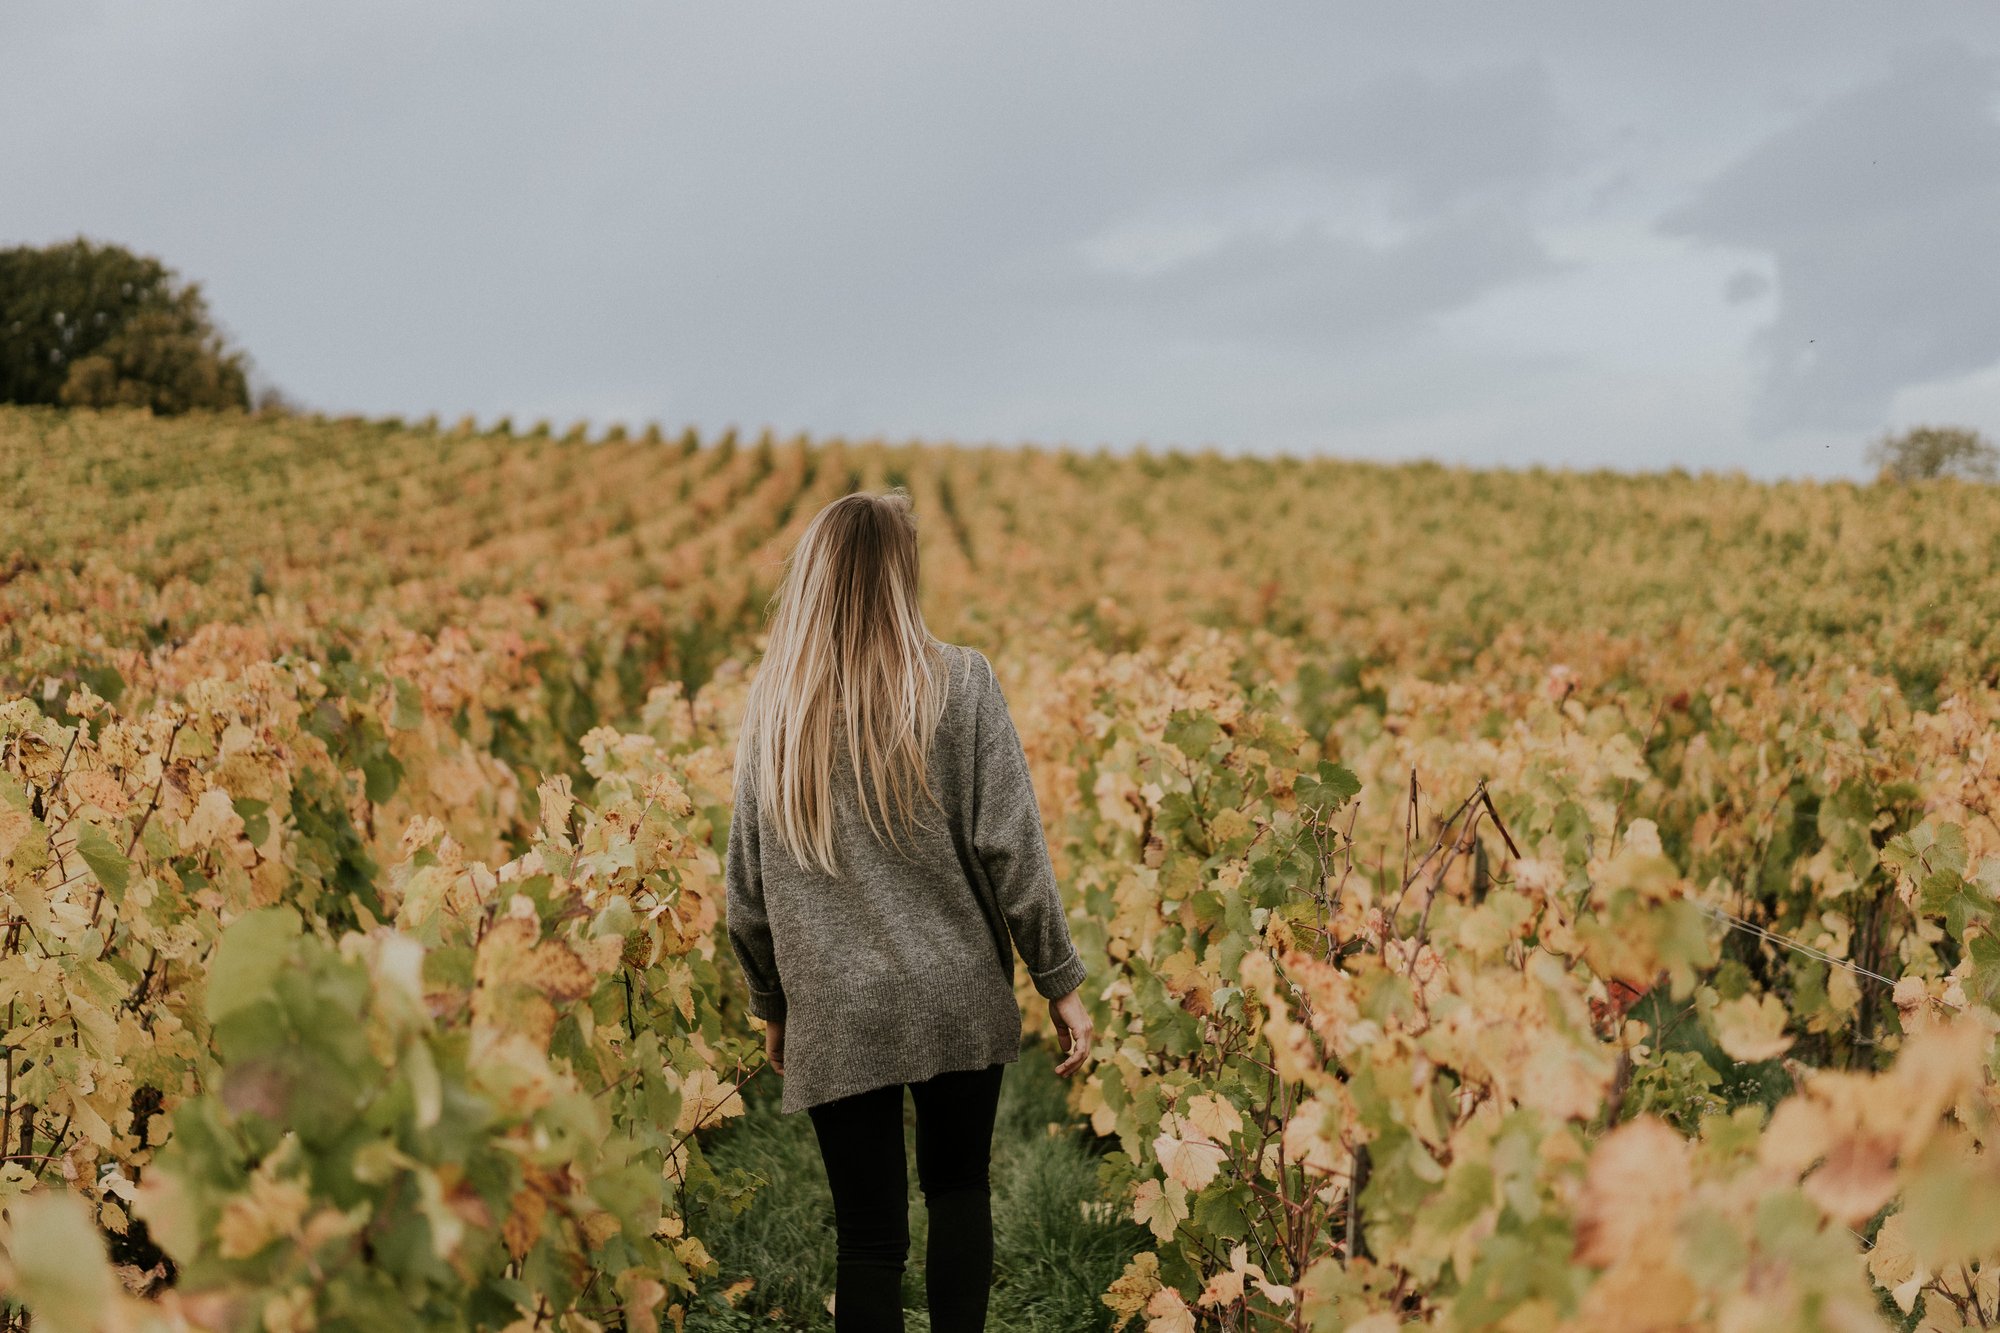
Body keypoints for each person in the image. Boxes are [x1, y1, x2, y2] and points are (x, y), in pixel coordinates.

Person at [723, 489, 1094, 1332]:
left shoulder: (777, 707)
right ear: (900, 576)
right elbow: (1013, 848)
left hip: (836, 1004)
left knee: (868, 1237)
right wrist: (1059, 979)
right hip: (955, 990)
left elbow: (745, 886)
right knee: (959, 1190)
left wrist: (772, 1003)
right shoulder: (963, 682)